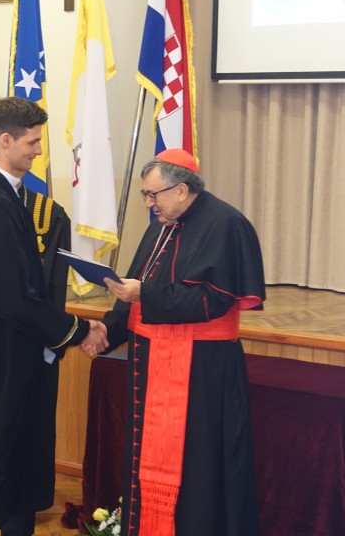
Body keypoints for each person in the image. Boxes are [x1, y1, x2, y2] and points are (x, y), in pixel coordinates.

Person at [0, 97, 107, 536]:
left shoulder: (1, 196)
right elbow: (11, 297)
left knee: (14, 473)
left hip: (9, 356)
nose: (38, 150)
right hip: (0, 364)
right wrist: (77, 330)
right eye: (32, 142)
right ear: (5, 140)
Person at [101, 148, 266, 536]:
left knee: (199, 462)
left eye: (152, 194)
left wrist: (144, 294)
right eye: (145, 194)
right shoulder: (161, 225)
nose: (148, 203)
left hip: (203, 372)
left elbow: (215, 300)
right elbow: (135, 289)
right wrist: (106, 332)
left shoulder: (226, 224)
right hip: (153, 363)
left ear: (180, 189)